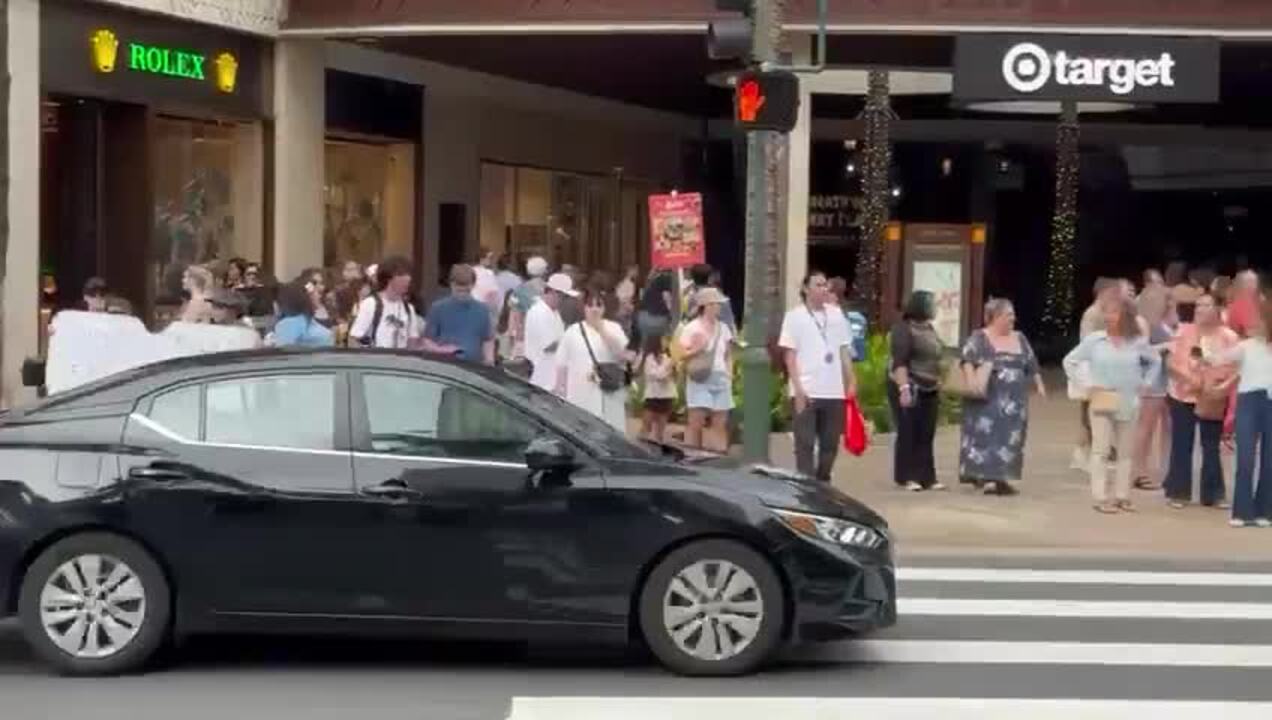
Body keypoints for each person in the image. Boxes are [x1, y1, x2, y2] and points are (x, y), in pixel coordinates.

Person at [1064, 298, 1160, 514]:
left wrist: (1146, 383)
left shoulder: (1136, 342)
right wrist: (1086, 384)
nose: (1108, 317)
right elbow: (1070, 360)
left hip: (1128, 399)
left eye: (1114, 312)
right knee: (1101, 449)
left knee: (1126, 451)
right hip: (1102, 397)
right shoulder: (1095, 341)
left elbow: (1155, 361)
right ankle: (1100, 497)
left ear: (1125, 316)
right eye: (1106, 313)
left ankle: (1122, 496)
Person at [958, 298, 1046, 496]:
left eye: (1012, 315)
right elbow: (967, 360)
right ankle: (986, 478)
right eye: (1008, 315)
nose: (1012, 319)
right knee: (987, 438)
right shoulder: (979, 337)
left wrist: (1039, 385)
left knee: (1010, 440)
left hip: (1015, 402)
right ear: (995, 317)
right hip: (988, 399)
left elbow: (1031, 363)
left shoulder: (1020, 338)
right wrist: (972, 382)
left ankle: (1003, 479)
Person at [781, 272, 858, 483]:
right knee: (804, 444)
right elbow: (790, 355)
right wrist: (797, 388)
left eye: (826, 285)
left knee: (830, 444)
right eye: (818, 285)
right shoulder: (794, 316)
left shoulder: (836, 315)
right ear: (806, 289)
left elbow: (843, 350)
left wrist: (850, 380)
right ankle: (805, 487)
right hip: (807, 388)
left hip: (833, 390)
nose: (824, 289)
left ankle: (823, 481)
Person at [1163, 293, 1238, 510]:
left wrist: (1220, 387)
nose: (1200, 309)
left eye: (1206, 305)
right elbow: (1170, 363)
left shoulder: (1228, 337)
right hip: (1183, 394)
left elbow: (1236, 368)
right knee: (1181, 444)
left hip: (1213, 397)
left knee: (1211, 445)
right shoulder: (1183, 331)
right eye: (1198, 305)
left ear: (1218, 309)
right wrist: (1189, 379)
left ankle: (1213, 494)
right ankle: (1178, 492)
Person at [1210, 298, 1272, 528]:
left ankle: (1265, 510)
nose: (1254, 323)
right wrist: (1204, 352)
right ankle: (1242, 511)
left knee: (1269, 460)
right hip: (1249, 401)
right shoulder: (1246, 347)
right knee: (1245, 457)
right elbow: (1219, 359)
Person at [888, 290, 944, 491]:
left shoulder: (929, 328)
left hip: (930, 386)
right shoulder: (903, 330)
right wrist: (903, 389)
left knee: (926, 432)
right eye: (931, 304)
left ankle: (927, 476)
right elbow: (899, 362)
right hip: (910, 384)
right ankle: (907, 476)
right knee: (908, 431)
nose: (935, 308)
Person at [556, 286, 630, 431]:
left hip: (609, 393)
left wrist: (602, 330)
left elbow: (622, 354)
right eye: (590, 305)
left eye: (599, 305)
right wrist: (561, 393)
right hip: (580, 394)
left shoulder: (614, 328)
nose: (594, 309)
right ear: (584, 308)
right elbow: (561, 363)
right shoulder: (573, 331)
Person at [1072, 278, 1123, 470]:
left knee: (1097, 412)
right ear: (1102, 293)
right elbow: (1087, 342)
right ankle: (1082, 453)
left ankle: (1088, 452)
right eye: (1113, 293)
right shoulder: (1092, 315)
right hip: (1091, 371)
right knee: (1089, 414)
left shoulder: (1102, 314)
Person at [680, 288, 736, 452]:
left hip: (721, 378)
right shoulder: (691, 327)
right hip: (700, 377)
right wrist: (698, 348)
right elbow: (681, 354)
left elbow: (727, 354)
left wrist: (729, 374)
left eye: (718, 304)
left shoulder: (724, 328)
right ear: (706, 305)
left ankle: (717, 459)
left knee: (720, 421)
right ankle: (691, 454)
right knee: (696, 421)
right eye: (715, 304)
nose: (718, 307)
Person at [1131, 285, 1175, 491]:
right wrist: (1167, 347)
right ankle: (1139, 471)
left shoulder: (1165, 323)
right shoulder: (1143, 323)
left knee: (1167, 427)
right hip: (1152, 378)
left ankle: (1166, 469)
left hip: (1168, 378)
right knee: (1146, 427)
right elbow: (1139, 351)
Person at [423, 264, 496, 364]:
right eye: (458, 290)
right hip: (446, 366)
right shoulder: (438, 308)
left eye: (466, 290)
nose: (462, 294)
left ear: (473, 285)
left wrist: (489, 360)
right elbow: (427, 341)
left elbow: (487, 339)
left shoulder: (482, 310)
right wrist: (442, 350)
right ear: (451, 284)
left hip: (474, 367)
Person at [349, 256, 419, 350]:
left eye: (409, 275)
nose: (408, 279)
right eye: (401, 275)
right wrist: (369, 352)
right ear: (388, 278)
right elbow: (355, 338)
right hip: (378, 360)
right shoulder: (371, 304)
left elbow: (412, 340)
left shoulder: (409, 309)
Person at [524, 272, 575, 390]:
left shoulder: (554, 312)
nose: (565, 301)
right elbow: (548, 345)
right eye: (564, 296)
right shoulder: (540, 312)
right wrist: (570, 338)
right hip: (542, 375)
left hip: (551, 376)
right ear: (553, 292)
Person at [272, 282, 334, 348]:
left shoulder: (285, 325)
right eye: (312, 294)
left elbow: (284, 353)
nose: (319, 296)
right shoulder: (324, 333)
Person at [638, 335, 675, 443]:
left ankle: (658, 448)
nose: (666, 343)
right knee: (646, 424)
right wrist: (667, 369)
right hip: (652, 396)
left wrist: (666, 372)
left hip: (666, 396)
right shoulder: (648, 358)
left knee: (661, 428)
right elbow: (656, 375)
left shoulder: (668, 358)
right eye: (663, 340)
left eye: (667, 341)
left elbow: (668, 377)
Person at [636, 269, 675, 343]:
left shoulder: (651, 287)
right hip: (657, 320)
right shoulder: (665, 283)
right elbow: (669, 307)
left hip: (645, 319)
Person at [1227, 270, 1261, 339]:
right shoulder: (1235, 305)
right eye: (1249, 282)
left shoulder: (1265, 300)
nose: (1251, 285)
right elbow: (1233, 330)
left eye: (1253, 282)